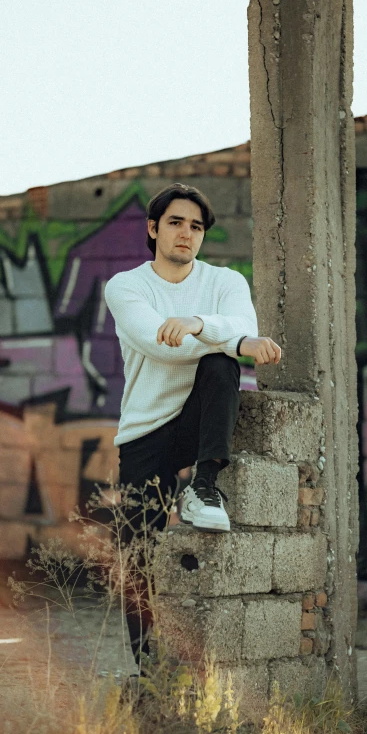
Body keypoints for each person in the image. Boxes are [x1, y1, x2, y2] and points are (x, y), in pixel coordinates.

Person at [104, 182, 281, 666]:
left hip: (195, 421)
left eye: (196, 226)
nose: (186, 233)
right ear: (153, 229)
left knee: (223, 368)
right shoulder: (126, 286)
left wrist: (201, 325)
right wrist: (232, 337)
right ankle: (147, 666)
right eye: (176, 223)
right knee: (138, 553)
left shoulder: (226, 282)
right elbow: (162, 344)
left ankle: (205, 487)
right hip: (144, 431)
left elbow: (242, 327)